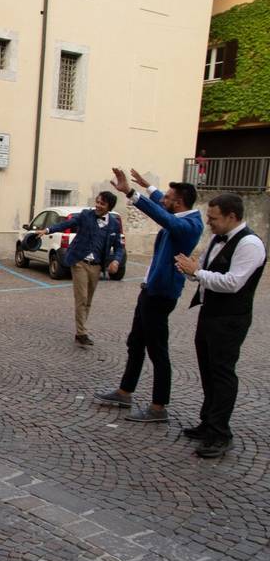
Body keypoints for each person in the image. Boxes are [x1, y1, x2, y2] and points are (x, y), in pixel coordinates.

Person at [96, 168, 203, 423]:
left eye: (167, 197)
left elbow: (165, 217)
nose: (163, 200)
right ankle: (125, 392)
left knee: (158, 351)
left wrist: (132, 193)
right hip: (150, 291)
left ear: (178, 203)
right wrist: (148, 187)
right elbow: (162, 207)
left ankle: (158, 407)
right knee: (136, 342)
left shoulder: (188, 225)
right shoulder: (181, 214)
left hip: (161, 294)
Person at [175, 193, 265, 458]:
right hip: (209, 314)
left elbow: (233, 282)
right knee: (208, 370)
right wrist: (190, 270)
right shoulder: (216, 238)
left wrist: (197, 272)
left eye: (213, 219)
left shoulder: (250, 244)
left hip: (231, 319)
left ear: (232, 217)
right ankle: (208, 422)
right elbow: (203, 270)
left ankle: (220, 433)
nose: (209, 223)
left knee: (223, 374)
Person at [36, 191, 125, 345]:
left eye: (102, 203)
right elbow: (66, 224)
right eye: (97, 202)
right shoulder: (86, 215)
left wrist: (116, 261)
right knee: (82, 297)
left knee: (88, 300)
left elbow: (119, 247)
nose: (98, 205)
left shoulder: (114, 225)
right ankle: (82, 332)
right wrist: (48, 230)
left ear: (109, 207)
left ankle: (80, 331)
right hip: (79, 262)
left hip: (96, 266)